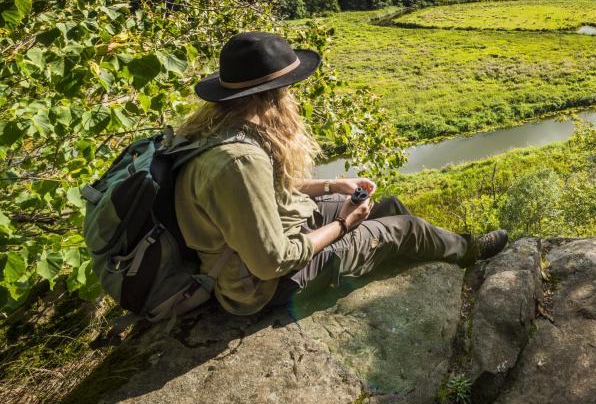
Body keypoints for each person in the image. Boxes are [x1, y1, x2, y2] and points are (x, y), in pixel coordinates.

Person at [173, 31, 508, 316]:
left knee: (387, 206)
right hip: (259, 288)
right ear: (269, 98)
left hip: (266, 242)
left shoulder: (220, 132)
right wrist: (344, 224)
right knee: (404, 228)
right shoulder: (239, 161)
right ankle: (468, 252)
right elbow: (271, 263)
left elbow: (266, 193)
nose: (291, 96)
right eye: (288, 88)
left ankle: (424, 252)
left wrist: (332, 185)